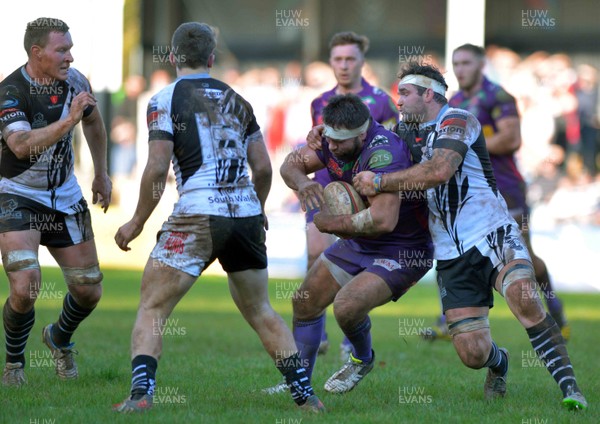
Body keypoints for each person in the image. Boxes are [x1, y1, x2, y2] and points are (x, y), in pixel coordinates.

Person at [112, 22, 324, 413]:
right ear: (212, 59)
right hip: (244, 215)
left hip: (197, 213)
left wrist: (137, 221)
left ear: (173, 57)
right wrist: (257, 208)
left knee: (153, 306)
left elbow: (158, 168)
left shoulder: (164, 99)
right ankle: (307, 398)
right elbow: (261, 167)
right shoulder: (238, 100)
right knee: (261, 311)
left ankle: (140, 397)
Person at [352, 62, 587, 411]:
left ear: (428, 94)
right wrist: (322, 139)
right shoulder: (401, 133)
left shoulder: (459, 119)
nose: (397, 101)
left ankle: (572, 390)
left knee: (524, 296)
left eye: (404, 92)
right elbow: (362, 142)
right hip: (449, 251)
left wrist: (381, 182)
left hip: (491, 232)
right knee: (473, 353)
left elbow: (439, 170)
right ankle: (499, 362)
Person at [271, 93, 431, 394]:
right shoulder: (333, 140)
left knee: (346, 306)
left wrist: (331, 224)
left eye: (339, 143)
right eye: (328, 139)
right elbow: (289, 166)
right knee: (305, 302)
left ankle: (361, 357)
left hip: (402, 249)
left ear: (361, 134)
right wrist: (304, 182)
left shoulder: (384, 154)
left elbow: (384, 221)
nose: (331, 148)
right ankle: (298, 385)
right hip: (360, 243)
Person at [423, 43, 569, 341]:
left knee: (523, 253)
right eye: (456, 63)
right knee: (455, 248)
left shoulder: (498, 96)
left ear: (481, 65)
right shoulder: (456, 101)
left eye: (466, 63)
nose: (460, 69)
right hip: (468, 194)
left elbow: (512, 139)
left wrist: (464, 145)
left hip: (506, 188)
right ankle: (449, 319)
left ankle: (555, 309)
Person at [0, 17, 111, 386]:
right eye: (61, 50)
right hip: (17, 193)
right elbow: (20, 145)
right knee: (26, 285)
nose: (70, 57)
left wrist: (101, 173)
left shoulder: (76, 82)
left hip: (64, 194)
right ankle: (14, 364)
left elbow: (93, 123)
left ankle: (59, 338)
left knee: (89, 289)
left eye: (70, 48)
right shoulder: (11, 91)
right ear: (37, 53)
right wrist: (69, 120)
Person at [309, 31, 398, 358]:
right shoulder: (319, 102)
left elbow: (393, 144)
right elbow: (318, 149)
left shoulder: (382, 101)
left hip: (360, 192)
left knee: (356, 262)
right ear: (331, 62)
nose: (344, 65)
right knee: (314, 254)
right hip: (324, 189)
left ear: (362, 61)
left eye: (350, 59)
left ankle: (351, 335)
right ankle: (316, 336)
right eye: (338, 59)